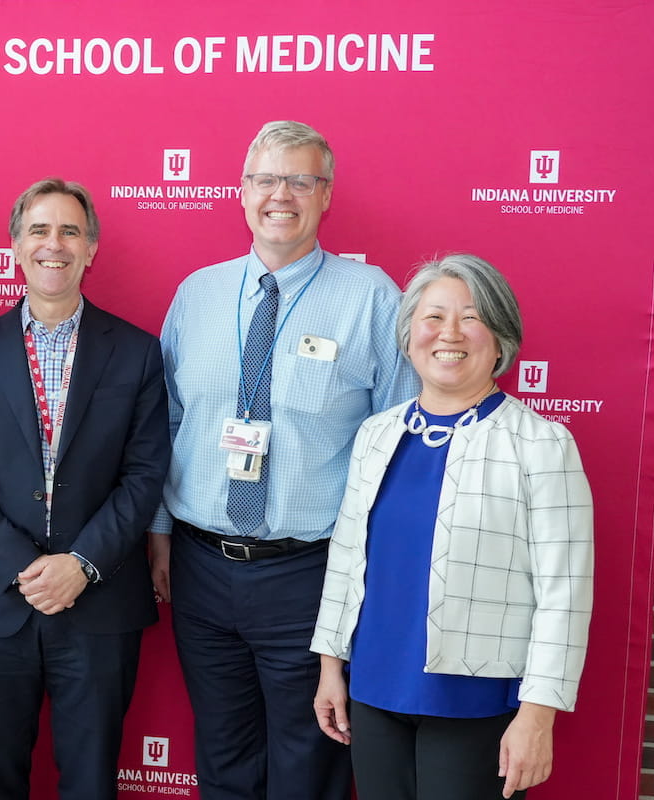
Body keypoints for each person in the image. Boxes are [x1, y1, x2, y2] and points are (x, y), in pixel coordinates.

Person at [148, 120, 419, 800]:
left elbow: (399, 445)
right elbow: (169, 423)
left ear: (326, 196)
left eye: (301, 180)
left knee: (308, 767)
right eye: (267, 179)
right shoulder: (196, 295)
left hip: (310, 575)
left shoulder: (372, 299)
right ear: (241, 192)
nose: (282, 195)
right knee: (223, 757)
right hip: (200, 566)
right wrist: (157, 532)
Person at [311, 254, 593, 800]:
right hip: (374, 688)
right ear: (409, 332)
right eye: (433, 317)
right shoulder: (376, 433)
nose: (450, 334)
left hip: (477, 701)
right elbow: (345, 558)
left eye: (471, 317)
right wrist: (329, 667)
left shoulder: (541, 444)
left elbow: (566, 595)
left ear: (501, 335)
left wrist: (539, 716)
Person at [0, 178, 171, 799]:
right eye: (39, 230)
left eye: (70, 230)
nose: (54, 244)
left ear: (91, 248)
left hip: (100, 603)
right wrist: (23, 567)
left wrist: (81, 565)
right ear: (15, 245)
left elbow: (145, 474)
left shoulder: (139, 354)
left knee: (91, 781)